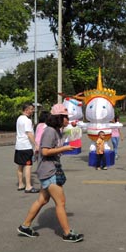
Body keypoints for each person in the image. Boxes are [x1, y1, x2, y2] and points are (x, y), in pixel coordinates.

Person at [17, 104, 84, 242]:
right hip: (49, 171)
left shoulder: (57, 131)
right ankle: (67, 233)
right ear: (59, 118)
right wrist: (64, 148)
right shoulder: (50, 131)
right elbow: (45, 151)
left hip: (48, 169)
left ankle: (25, 226)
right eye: (65, 117)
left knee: (42, 200)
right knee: (61, 202)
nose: (67, 120)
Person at [15, 103, 39, 193]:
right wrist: (36, 144)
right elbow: (29, 133)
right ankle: (28, 186)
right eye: (31, 109)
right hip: (26, 146)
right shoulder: (27, 121)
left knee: (20, 165)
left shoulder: (19, 118)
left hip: (19, 146)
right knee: (28, 166)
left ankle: (21, 184)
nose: (33, 111)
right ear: (26, 110)